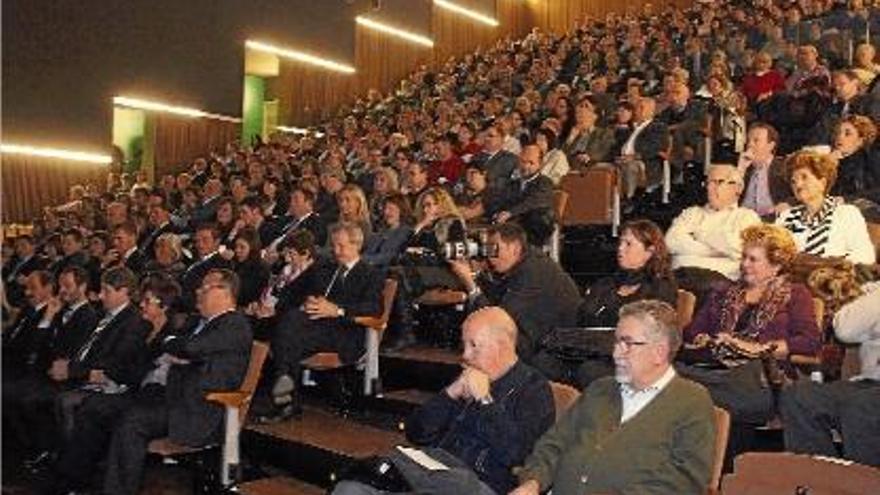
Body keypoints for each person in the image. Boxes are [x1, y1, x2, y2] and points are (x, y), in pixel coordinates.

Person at [332, 307, 554, 495]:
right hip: (436, 471)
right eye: (464, 345)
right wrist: (451, 393)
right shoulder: (468, 377)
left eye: (474, 346)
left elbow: (517, 454)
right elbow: (417, 432)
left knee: (451, 482)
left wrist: (485, 400)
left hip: (481, 484)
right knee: (349, 489)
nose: (465, 355)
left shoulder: (533, 389)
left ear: (502, 345)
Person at [510, 300, 716, 495]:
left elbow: (686, 480)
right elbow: (555, 443)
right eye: (616, 342)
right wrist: (532, 482)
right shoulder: (601, 389)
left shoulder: (691, 402)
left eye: (627, 344)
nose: (616, 353)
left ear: (659, 352)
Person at [99, 268, 251, 495]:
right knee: (107, 408)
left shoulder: (233, 324)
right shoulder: (198, 322)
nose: (199, 291)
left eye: (206, 287)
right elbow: (176, 346)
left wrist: (179, 349)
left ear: (225, 293)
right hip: (172, 395)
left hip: (199, 407)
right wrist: (180, 352)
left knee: (132, 421)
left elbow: (188, 347)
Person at [50, 275, 182, 493]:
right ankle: (73, 479)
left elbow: (136, 372)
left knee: (92, 408)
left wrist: (116, 373)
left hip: (150, 397)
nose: (142, 304)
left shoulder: (172, 336)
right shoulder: (143, 328)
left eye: (148, 301)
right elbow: (122, 365)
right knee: (90, 409)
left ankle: (75, 479)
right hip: (128, 388)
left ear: (164, 307)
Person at [680, 224, 821, 425]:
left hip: (759, 375)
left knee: (686, 389)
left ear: (776, 265)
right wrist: (704, 339)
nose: (745, 264)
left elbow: (809, 341)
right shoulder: (724, 293)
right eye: (744, 257)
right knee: (669, 375)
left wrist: (754, 349)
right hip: (714, 369)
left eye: (753, 259)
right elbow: (692, 331)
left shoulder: (796, 294)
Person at [267, 223, 384, 420]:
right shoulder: (325, 268)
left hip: (347, 332)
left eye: (342, 246)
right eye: (334, 246)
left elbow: (374, 309)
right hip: (316, 328)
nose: (336, 251)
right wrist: (307, 300)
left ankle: (286, 404)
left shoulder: (371, 274)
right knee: (288, 327)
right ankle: (286, 403)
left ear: (357, 245)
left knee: (286, 334)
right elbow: (289, 292)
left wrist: (337, 310)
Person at [780, 284, 880, 467]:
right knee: (798, 397)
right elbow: (845, 329)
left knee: (861, 407)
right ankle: (821, 481)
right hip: (869, 383)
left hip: (869, 397)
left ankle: (864, 486)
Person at [449, 223, 581, 363]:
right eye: (488, 249)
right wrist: (476, 275)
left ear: (515, 248)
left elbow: (498, 321)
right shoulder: (527, 261)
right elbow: (498, 296)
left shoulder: (533, 272)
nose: (490, 257)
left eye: (495, 249)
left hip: (554, 353)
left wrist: (470, 284)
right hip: (543, 340)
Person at [666, 164, 762, 299]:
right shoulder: (691, 213)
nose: (711, 188)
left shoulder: (746, 216)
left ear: (737, 188)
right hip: (679, 276)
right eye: (709, 182)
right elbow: (671, 241)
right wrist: (715, 250)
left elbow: (739, 249)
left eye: (718, 182)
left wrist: (699, 234)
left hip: (717, 282)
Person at [776, 150, 876, 265]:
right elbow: (772, 252)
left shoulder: (846, 213)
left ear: (822, 183)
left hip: (830, 278)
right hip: (792, 278)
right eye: (793, 181)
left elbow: (865, 255)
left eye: (804, 177)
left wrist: (828, 265)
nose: (798, 185)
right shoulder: (786, 216)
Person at [738, 123, 791, 217]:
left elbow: (800, 193)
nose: (750, 145)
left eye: (756, 140)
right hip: (742, 220)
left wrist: (788, 203)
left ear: (771, 146)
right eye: (748, 141)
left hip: (771, 220)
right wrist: (740, 170)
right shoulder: (742, 167)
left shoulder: (784, 167)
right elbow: (725, 197)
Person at [830, 114, 879, 205]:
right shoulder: (831, 160)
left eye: (847, 134)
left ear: (861, 140)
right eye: (838, 133)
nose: (840, 137)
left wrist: (848, 199)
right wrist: (828, 166)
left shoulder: (871, 158)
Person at [560, 96, 615, 168]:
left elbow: (605, 152)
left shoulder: (604, 133)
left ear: (595, 116)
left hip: (587, 168)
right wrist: (571, 138)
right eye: (580, 106)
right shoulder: (572, 134)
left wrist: (589, 157)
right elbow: (561, 156)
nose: (581, 109)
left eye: (586, 107)